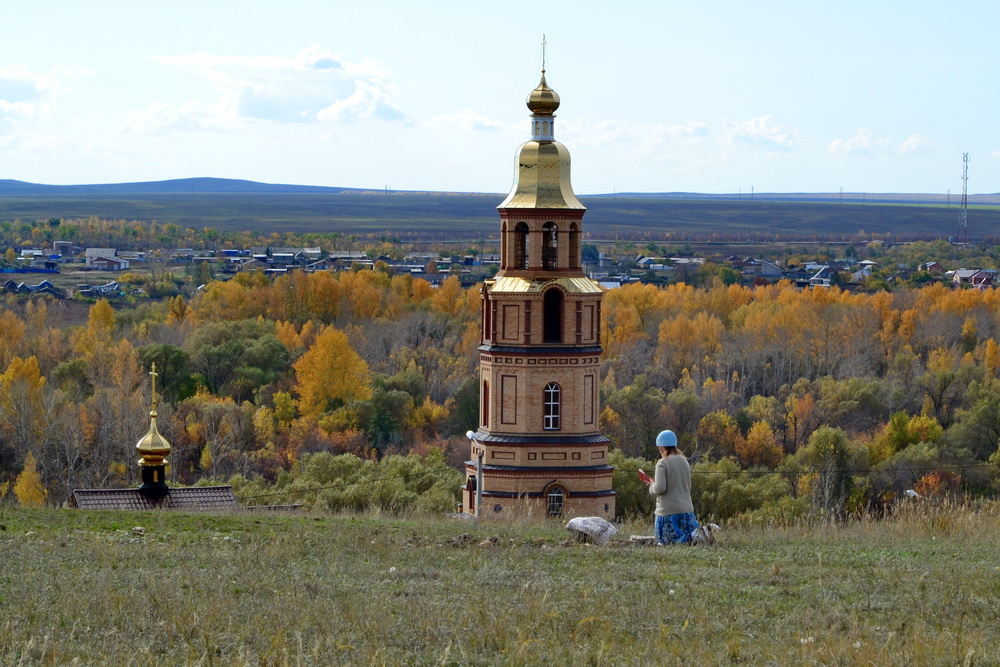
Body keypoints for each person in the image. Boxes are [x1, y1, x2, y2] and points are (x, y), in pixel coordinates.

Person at [638, 430, 717, 545]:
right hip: (687, 511)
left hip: (668, 513)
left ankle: (700, 537)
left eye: (659, 447)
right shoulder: (684, 462)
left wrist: (651, 485)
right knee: (688, 541)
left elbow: (660, 488)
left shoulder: (662, 463)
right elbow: (684, 486)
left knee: (667, 542)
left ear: (662, 447)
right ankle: (702, 535)